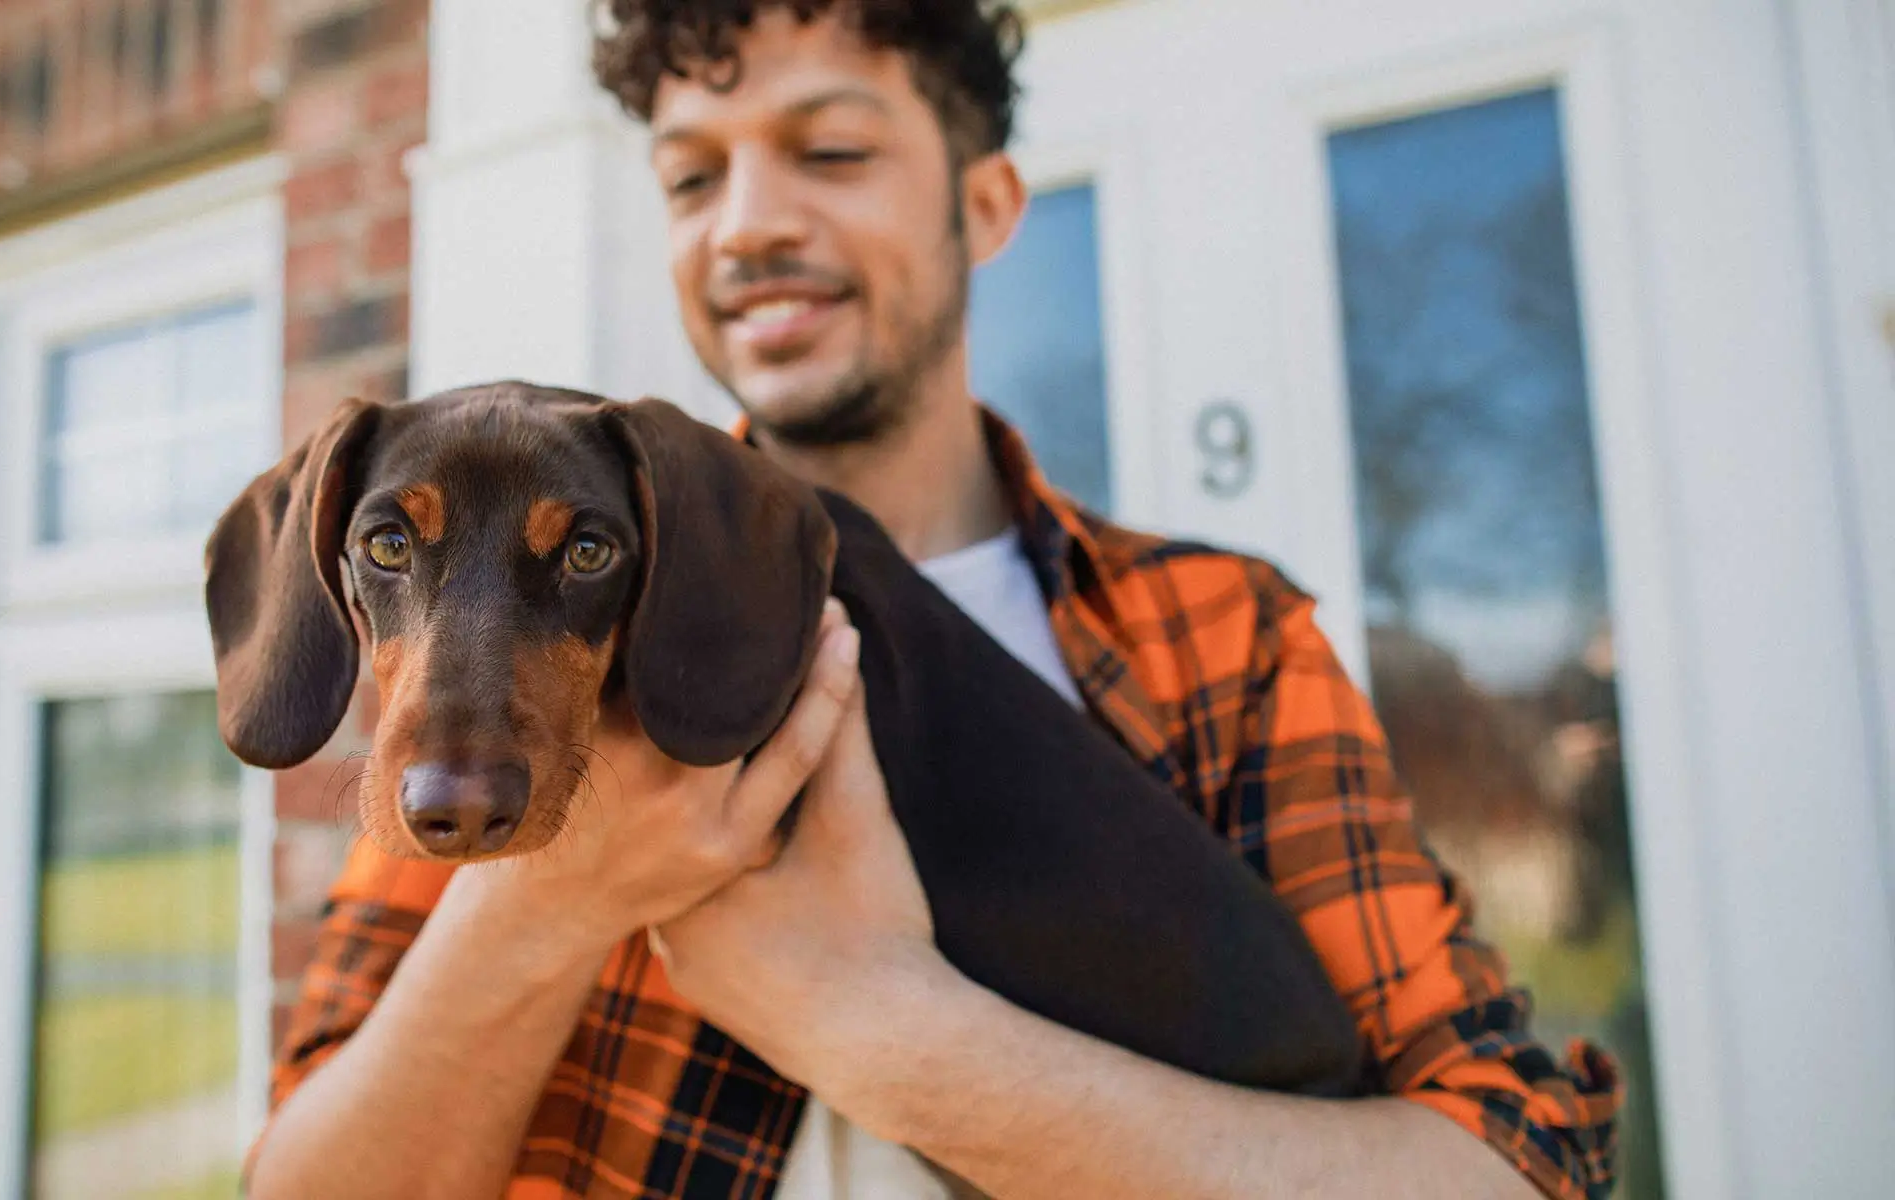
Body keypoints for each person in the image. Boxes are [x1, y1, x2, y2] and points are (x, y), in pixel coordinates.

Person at [244, 2, 1620, 1197]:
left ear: (985, 204)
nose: (750, 223)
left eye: (831, 151)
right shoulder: (501, 699)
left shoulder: (1228, 641)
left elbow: (1511, 1169)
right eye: (688, 177)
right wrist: (545, 902)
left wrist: (871, 1022)